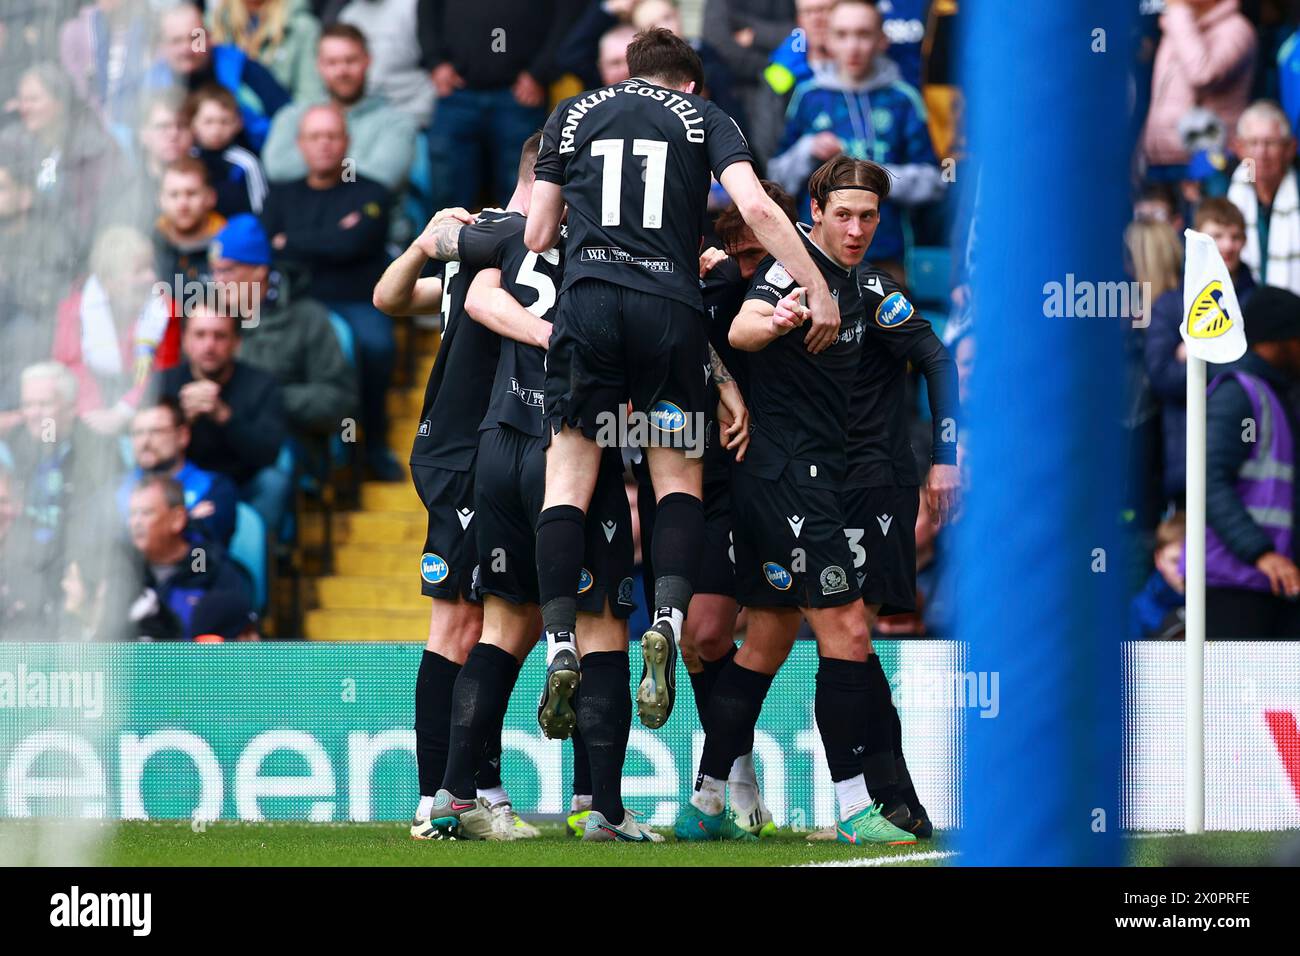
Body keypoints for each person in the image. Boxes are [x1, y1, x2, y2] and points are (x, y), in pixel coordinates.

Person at [524, 27, 836, 739]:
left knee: (567, 478)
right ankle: (664, 619)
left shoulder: (571, 112)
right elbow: (756, 209)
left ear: (630, 73)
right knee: (676, 482)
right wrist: (819, 287)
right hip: (669, 307)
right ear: (690, 83)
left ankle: (562, 640)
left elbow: (539, 234)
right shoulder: (707, 118)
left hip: (588, 303)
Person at [675, 157, 915, 845]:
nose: (857, 228)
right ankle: (851, 809)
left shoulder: (854, 278)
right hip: (790, 483)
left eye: (868, 216)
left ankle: (708, 801)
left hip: (792, 480)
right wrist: (780, 316)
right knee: (849, 636)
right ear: (815, 210)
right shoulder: (797, 264)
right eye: (844, 213)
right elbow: (743, 330)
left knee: (766, 644)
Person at [424, 141, 650, 842]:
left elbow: (477, 293)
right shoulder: (622, 249)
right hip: (574, 444)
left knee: (500, 628)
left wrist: (542, 334)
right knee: (603, 625)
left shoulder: (510, 235)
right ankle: (601, 810)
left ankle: (454, 796)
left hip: (500, 442)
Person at [370, 143, 535, 843]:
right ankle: (440, 796)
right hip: (462, 452)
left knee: (511, 622)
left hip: (495, 452)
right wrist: (424, 239)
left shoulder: (528, 246)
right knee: (461, 626)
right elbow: (387, 296)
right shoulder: (492, 240)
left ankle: (476, 786)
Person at [631, 183, 793, 836]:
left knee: (702, 634)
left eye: (758, 258)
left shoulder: (784, 290)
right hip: (682, 468)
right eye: (739, 255)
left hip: (758, 475)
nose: (748, 269)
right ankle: (743, 782)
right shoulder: (689, 284)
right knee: (698, 647)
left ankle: (710, 789)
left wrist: (728, 281)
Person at [260, 104, 395, 477]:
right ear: (300, 144)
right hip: (296, 304)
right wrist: (334, 235)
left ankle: (373, 447)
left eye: (332, 135)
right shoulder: (281, 195)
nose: (324, 144)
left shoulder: (370, 192)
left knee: (376, 347)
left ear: (347, 141)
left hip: (357, 301)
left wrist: (293, 242)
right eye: (315, 136)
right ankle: (315, 461)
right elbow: (269, 247)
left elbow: (355, 245)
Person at [768, 0, 944, 285]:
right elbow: (775, 176)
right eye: (842, 34)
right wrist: (807, 149)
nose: (853, 46)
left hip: (886, 258)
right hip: (814, 260)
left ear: (881, 40)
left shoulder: (903, 99)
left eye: (863, 34)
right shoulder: (808, 97)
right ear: (828, 39)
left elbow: (935, 181)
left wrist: (872, 178)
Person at [209, 214, 358, 478]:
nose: (218, 281)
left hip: (287, 443)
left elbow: (339, 402)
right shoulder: (209, 323)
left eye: (228, 270)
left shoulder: (307, 318)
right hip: (215, 440)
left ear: (259, 270)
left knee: (272, 474)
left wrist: (267, 399)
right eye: (214, 270)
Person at [1204, 285, 1300, 638]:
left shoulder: (1276, 394)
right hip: (1237, 583)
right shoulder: (1240, 395)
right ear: (1277, 340)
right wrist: (1259, 552)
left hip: (1269, 581)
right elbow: (1206, 481)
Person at [1146, 199, 1255, 506]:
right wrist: (1221, 354)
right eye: (1217, 236)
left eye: (1235, 237)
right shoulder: (1170, 306)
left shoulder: (1259, 303)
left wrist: (1196, 352)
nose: (1228, 245)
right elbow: (1162, 376)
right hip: (1186, 461)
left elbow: (1259, 375)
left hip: (1247, 463)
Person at [417, 0, 570, 213]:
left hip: (521, 96)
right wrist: (435, 62)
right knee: (447, 194)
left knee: (523, 194)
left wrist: (540, 73)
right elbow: (427, 9)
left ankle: (521, 246)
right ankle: (446, 246)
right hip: (457, 93)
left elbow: (567, 15)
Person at [152, 304, 290, 538]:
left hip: (242, 483)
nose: (209, 345)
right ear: (185, 340)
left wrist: (224, 416)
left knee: (274, 482)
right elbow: (149, 451)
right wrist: (182, 423)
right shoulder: (165, 383)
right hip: (181, 484)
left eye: (220, 336)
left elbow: (269, 453)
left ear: (237, 342)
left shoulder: (262, 384)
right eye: (200, 334)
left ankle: (263, 558)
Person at [260, 22, 417, 192]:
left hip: (374, 217)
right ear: (319, 65)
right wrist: (350, 165)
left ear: (367, 60)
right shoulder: (293, 116)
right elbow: (277, 169)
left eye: (350, 61)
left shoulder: (396, 121)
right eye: (332, 62)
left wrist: (320, 163)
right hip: (306, 216)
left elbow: (383, 178)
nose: (342, 71)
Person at [51, 225, 178, 434]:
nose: (151, 277)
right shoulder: (74, 310)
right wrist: (93, 411)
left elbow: (163, 370)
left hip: (148, 411)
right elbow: (68, 365)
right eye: (139, 271)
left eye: (150, 267)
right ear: (109, 282)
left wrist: (122, 411)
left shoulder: (165, 310)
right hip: (88, 413)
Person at [0, 63, 124, 269]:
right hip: (19, 256)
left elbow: (95, 218)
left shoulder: (95, 149)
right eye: (21, 100)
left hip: (76, 261)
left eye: (33, 99)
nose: (24, 108)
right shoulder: (11, 144)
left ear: (61, 102)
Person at [122, 474, 253, 641]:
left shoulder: (206, 568)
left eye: (146, 513)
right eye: (132, 514)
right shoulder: (124, 568)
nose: (136, 523)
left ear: (177, 519)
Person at [148, 0, 291, 152]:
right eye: (176, 41)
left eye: (195, 38)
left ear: (209, 37)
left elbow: (285, 114)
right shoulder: (150, 85)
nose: (186, 49)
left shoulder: (242, 68)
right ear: (162, 46)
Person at [1142, 0, 1255, 177]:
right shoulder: (1179, 28)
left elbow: (1202, 75)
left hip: (1209, 165)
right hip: (1161, 161)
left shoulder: (1237, 29)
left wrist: (1178, 13)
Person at [118, 397, 240, 548]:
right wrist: (189, 522)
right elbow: (99, 544)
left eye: (156, 431)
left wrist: (134, 531)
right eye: (137, 433)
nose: (145, 441)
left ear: (183, 436)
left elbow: (202, 552)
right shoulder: (115, 489)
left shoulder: (215, 488)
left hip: (194, 570)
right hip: (131, 572)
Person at [1226, 100, 1300, 295]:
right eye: (1253, 143)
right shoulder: (1224, 190)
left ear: (1290, 149)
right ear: (1239, 148)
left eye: (1270, 143)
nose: (1261, 153)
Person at [331, 0, 436, 127]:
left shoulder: (413, 7)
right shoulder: (349, 15)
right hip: (365, 118)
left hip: (416, 113)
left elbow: (437, 68)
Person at [208, 0, 326, 102]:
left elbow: (310, 96)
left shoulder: (301, 27)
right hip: (219, 119)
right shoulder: (210, 23)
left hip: (279, 119)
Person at [187, 84, 271, 217]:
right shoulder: (186, 158)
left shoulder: (247, 164)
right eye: (208, 122)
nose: (216, 130)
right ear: (193, 124)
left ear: (238, 123)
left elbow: (262, 211)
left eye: (224, 122)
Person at [154, 157, 227, 288]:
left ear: (211, 197)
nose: (183, 204)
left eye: (191, 193)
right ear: (160, 200)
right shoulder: (151, 243)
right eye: (174, 195)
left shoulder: (229, 245)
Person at [1131, 512, 1187, 639]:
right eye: (1175, 561)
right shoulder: (1140, 608)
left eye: (1192, 561)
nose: (1183, 570)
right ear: (1158, 559)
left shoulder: (1219, 603)